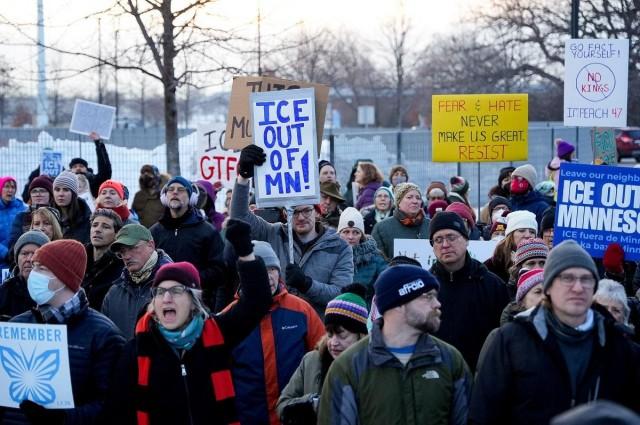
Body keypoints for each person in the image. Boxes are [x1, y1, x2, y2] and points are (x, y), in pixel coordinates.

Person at [106, 219, 273, 425]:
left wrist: (245, 251)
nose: (167, 298)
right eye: (160, 292)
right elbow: (119, 410)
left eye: (176, 291)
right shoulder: (137, 349)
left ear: (194, 301)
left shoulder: (217, 333)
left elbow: (257, 302)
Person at [470, 240, 640, 425]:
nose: (578, 287)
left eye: (586, 279)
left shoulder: (619, 344)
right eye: (567, 278)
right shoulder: (510, 341)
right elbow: (484, 414)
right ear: (548, 287)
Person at [318, 265, 472, 425]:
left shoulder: (449, 359)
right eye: (428, 296)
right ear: (398, 304)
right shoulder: (349, 366)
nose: (437, 304)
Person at [1, 239, 125, 424]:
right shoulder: (18, 324)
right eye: (34, 267)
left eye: (42, 269)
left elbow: (111, 404)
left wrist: (63, 419)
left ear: (64, 276)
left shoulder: (103, 335)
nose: (33, 274)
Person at [230, 145, 353, 317]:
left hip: (319, 334)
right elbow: (239, 217)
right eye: (293, 212)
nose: (301, 217)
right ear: (284, 214)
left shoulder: (339, 247)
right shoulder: (273, 234)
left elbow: (342, 295)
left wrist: (307, 284)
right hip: (278, 329)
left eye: (307, 211)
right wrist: (243, 176)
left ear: (317, 211)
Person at [225, 240, 324, 425]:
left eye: (272, 269)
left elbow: (323, 356)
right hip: (248, 417)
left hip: (293, 417)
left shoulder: (301, 311)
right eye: (261, 270)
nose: (268, 277)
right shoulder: (229, 318)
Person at [428, 211, 509, 371]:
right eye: (438, 240)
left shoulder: (492, 285)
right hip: (436, 377)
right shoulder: (424, 288)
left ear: (466, 240)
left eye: (451, 237)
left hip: (482, 376)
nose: (445, 244)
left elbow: (505, 337)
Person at [277, 287, 369, 425]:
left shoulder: (373, 367)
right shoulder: (311, 360)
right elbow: (282, 405)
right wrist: (314, 404)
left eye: (341, 334)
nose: (333, 342)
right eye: (330, 334)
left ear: (360, 336)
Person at [150, 176, 226, 311]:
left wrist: (189, 281)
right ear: (164, 196)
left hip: (198, 305)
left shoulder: (207, 231)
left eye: (181, 190)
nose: (174, 192)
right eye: (171, 189)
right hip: (163, 304)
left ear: (191, 198)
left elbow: (219, 270)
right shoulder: (154, 232)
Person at [101, 223, 173, 339]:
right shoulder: (113, 293)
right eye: (122, 252)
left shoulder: (174, 286)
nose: (126, 256)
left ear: (151, 245)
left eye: (132, 248)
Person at [338, 207, 388, 305]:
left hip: (365, 313)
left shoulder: (375, 257)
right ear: (339, 233)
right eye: (346, 232)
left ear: (362, 235)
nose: (351, 237)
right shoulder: (330, 254)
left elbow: (387, 282)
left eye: (356, 232)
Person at [372, 182, 429, 259]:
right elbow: (378, 260)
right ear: (399, 202)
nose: (415, 201)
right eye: (409, 197)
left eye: (418, 198)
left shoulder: (431, 225)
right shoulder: (382, 228)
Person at [0, 230, 49, 320]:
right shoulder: (5, 291)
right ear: (17, 259)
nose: (29, 259)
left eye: (35, 253)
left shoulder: (56, 290)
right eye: (24, 254)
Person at [82, 208, 124, 309]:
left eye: (105, 227)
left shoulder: (122, 265)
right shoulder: (77, 256)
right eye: (95, 225)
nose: (97, 230)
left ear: (116, 234)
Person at [485, 210, 538, 284]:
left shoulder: (540, 260)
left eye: (532, 232)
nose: (527, 235)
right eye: (521, 230)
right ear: (511, 235)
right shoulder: (493, 263)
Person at [8, 175, 54, 253]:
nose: (38, 194)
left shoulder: (58, 215)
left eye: (42, 191)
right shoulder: (21, 217)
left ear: (50, 194)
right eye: (34, 191)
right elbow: (13, 247)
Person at [68, 131, 113, 198]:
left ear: (87, 169)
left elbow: (105, 169)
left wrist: (98, 143)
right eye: (75, 167)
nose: (78, 168)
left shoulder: (94, 181)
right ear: (70, 170)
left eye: (81, 166)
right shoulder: (66, 182)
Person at [52, 170, 92, 244]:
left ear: (74, 194)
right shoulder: (48, 216)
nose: (61, 194)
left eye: (66, 190)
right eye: (57, 190)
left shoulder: (86, 219)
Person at [0, 176, 27, 270]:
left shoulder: (23, 208)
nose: (10, 190)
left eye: (13, 187)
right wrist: (6, 254)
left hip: (20, 260)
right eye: (6, 186)